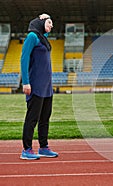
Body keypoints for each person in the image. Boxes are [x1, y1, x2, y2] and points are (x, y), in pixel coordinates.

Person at [20, 13, 58, 160]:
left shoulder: (43, 38)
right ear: (41, 23)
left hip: (47, 86)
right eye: (49, 22)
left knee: (45, 118)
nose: (52, 25)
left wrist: (45, 19)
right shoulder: (32, 37)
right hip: (35, 85)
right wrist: (25, 82)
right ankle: (27, 149)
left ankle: (43, 146)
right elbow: (24, 58)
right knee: (32, 118)